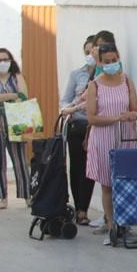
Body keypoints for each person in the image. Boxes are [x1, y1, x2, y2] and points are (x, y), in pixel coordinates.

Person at [85, 42, 137, 245]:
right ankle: (112, 227)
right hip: (103, 138)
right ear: (100, 62)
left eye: (114, 60)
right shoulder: (95, 85)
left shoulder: (127, 81)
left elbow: (136, 110)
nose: (111, 64)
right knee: (107, 184)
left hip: (126, 137)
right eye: (106, 62)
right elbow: (91, 118)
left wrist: (131, 115)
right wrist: (116, 118)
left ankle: (126, 224)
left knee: (125, 182)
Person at [0, 47, 33, 209]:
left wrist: (5, 98)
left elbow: (23, 96)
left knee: (20, 160)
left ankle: (27, 195)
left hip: (15, 119)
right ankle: (2, 197)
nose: (2, 63)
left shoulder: (17, 77)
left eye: (5, 59)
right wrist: (12, 95)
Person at [59, 35, 99, 224]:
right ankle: (80, 209)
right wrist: (71, 110)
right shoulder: (77, 74)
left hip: (95, 126)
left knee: (90, 169)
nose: (89, 55)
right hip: (77, 125)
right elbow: (65, 99)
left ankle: (85, 207)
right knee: (77, 167)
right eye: (86, 52)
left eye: (92, 50)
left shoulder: (105, 75)